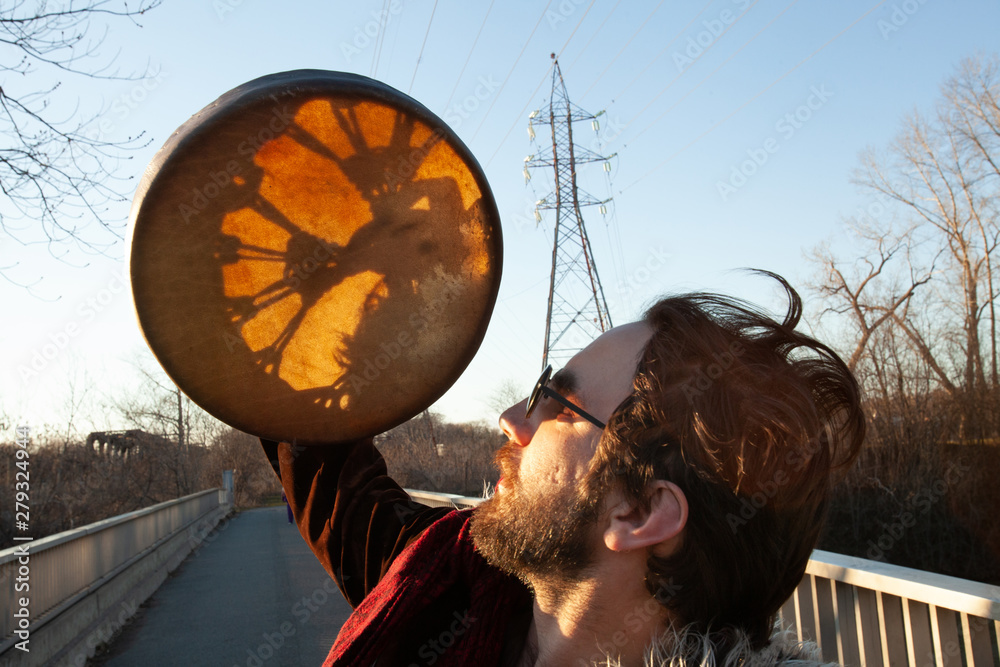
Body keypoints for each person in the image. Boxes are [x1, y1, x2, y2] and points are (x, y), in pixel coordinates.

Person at [261, 273, 865, 666]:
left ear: (640, 512)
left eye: (558, 403)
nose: (511, 418)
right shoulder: (444, 586)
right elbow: (331, 474)